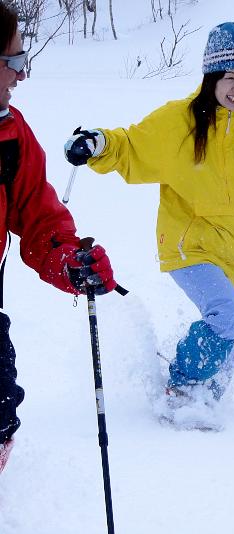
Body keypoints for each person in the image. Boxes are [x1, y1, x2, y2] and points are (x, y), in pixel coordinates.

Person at [64, 21, 234, 402]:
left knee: (226, 348)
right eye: (229, 76)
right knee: (231, 317)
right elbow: (130, 146)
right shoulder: (178, 121)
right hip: (189, 245)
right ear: (211, 76)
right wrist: (97, 143)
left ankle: (205, 415)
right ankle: (180, 388)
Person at [0, 1, 117, 471]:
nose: (20, 76)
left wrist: (69, 260)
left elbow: (38, 216)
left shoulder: (10, 133)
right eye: (13, 63)